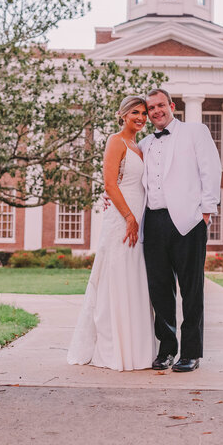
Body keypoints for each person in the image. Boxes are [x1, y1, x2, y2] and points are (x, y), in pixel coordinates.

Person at [66, 96, 156, 371]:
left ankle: (137, 348)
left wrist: (138, 218)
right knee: (116, 279)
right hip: (122, 219)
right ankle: (114, 348)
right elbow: (109, 184)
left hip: (139, 217)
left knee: (135, 280)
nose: (141, 117)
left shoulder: (139, 146)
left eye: (144, 113)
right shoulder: (115, 141)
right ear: (123, 114)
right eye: (135, 112)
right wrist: (129, 217)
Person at [139, 88, 222, 372]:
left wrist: (206, 213)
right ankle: (166, 350)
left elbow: (211, 170)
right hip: (153, 221)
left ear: (171, 105)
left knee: (192, 289)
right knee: (159, 290)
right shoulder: (144, 143)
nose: (156, 111)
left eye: (160, 105)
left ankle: (191, 353)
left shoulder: (195, 132)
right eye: (151, 108)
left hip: (189, 221)